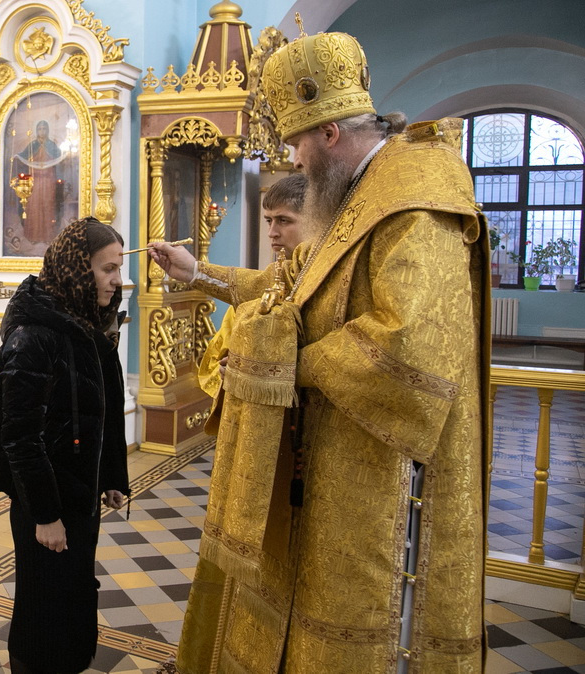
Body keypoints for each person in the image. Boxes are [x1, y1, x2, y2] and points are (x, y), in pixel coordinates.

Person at [150, 28, 487, 672]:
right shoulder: (359, 195)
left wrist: (282, 367)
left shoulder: (413, 203)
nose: (294, 161)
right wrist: (199, 273)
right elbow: (292, 285)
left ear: (329, 134)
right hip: (328, 456)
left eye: (296, 144)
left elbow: (408, 347)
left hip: (383, 472)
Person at [0, 218, 131, 674]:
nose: (117, 279)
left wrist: (111, 476)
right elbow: (19, 438)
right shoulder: (33, 337)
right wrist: (46, 516)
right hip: (45, 503)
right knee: (43, 613)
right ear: (76, 269)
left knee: (73, 599)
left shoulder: (87, 325)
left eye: (118, 268)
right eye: (107, 269)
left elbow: (103, 408)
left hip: (77, 496)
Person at [196, 174, 307, 399]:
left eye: (284, 220)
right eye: (268, 221)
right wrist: (229, 372)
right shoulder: (250, 295)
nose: (272, 232)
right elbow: (215, 365)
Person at [13, 119, 65, 245]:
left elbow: (60, 156)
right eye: (40, 129)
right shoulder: (33, 145)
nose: (42, 131)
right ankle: (34, 236)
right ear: (37, 131)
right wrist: (16, 156)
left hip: (48, 179)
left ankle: (48, 236)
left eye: (44, 129)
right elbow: (23, 155)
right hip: (34, 179)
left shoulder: (51, 145)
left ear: (48, 130)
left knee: (48, 204)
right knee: (33, 205)